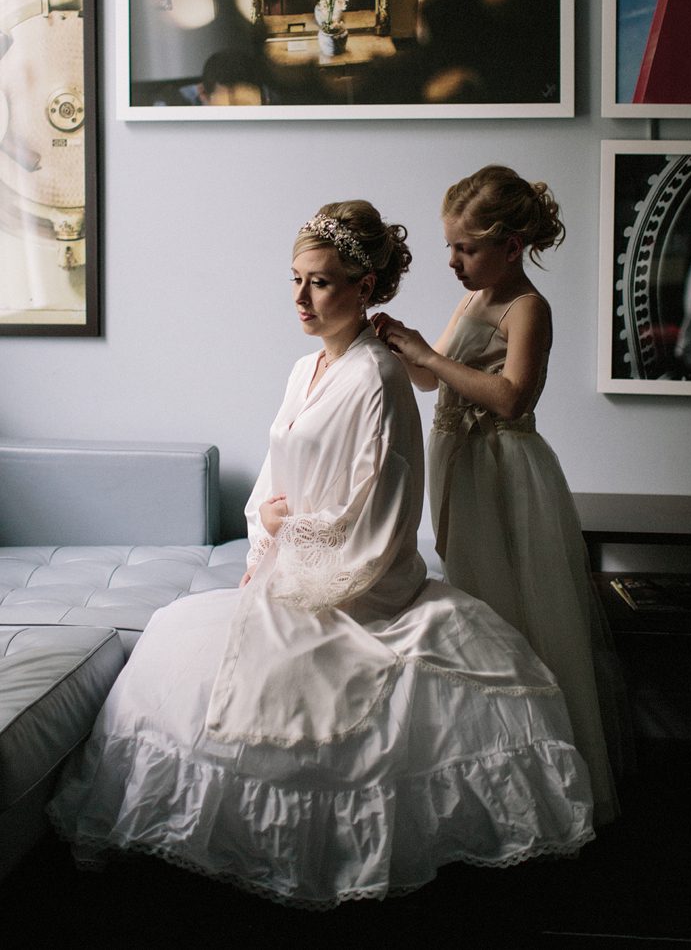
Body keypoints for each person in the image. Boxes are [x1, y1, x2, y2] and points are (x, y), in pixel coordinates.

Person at [48, 200, 596, 909]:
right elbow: (275, 471)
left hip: (355, 580)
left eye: (322, 282)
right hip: (294, 558)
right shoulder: (305, 368)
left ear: (364, 288)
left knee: (260, 670)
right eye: (296, 279)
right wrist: (268, 523)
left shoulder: (378, 378)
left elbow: (379, 509)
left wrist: (296, 536)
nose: (301, 298)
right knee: (171, 636)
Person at [373, 166, 628, 828]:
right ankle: (484, 763)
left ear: (511, 246)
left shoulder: (528, 309)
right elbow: (434, 383)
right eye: (451, 247)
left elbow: (513, 397)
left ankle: (542, 774)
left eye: (467, 248)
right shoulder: (472, 300)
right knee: (469, 597)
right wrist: (401, 348)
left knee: (506, 610)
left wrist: (429, 355)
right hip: (458, 464)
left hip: (500, 471)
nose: (453, 261)